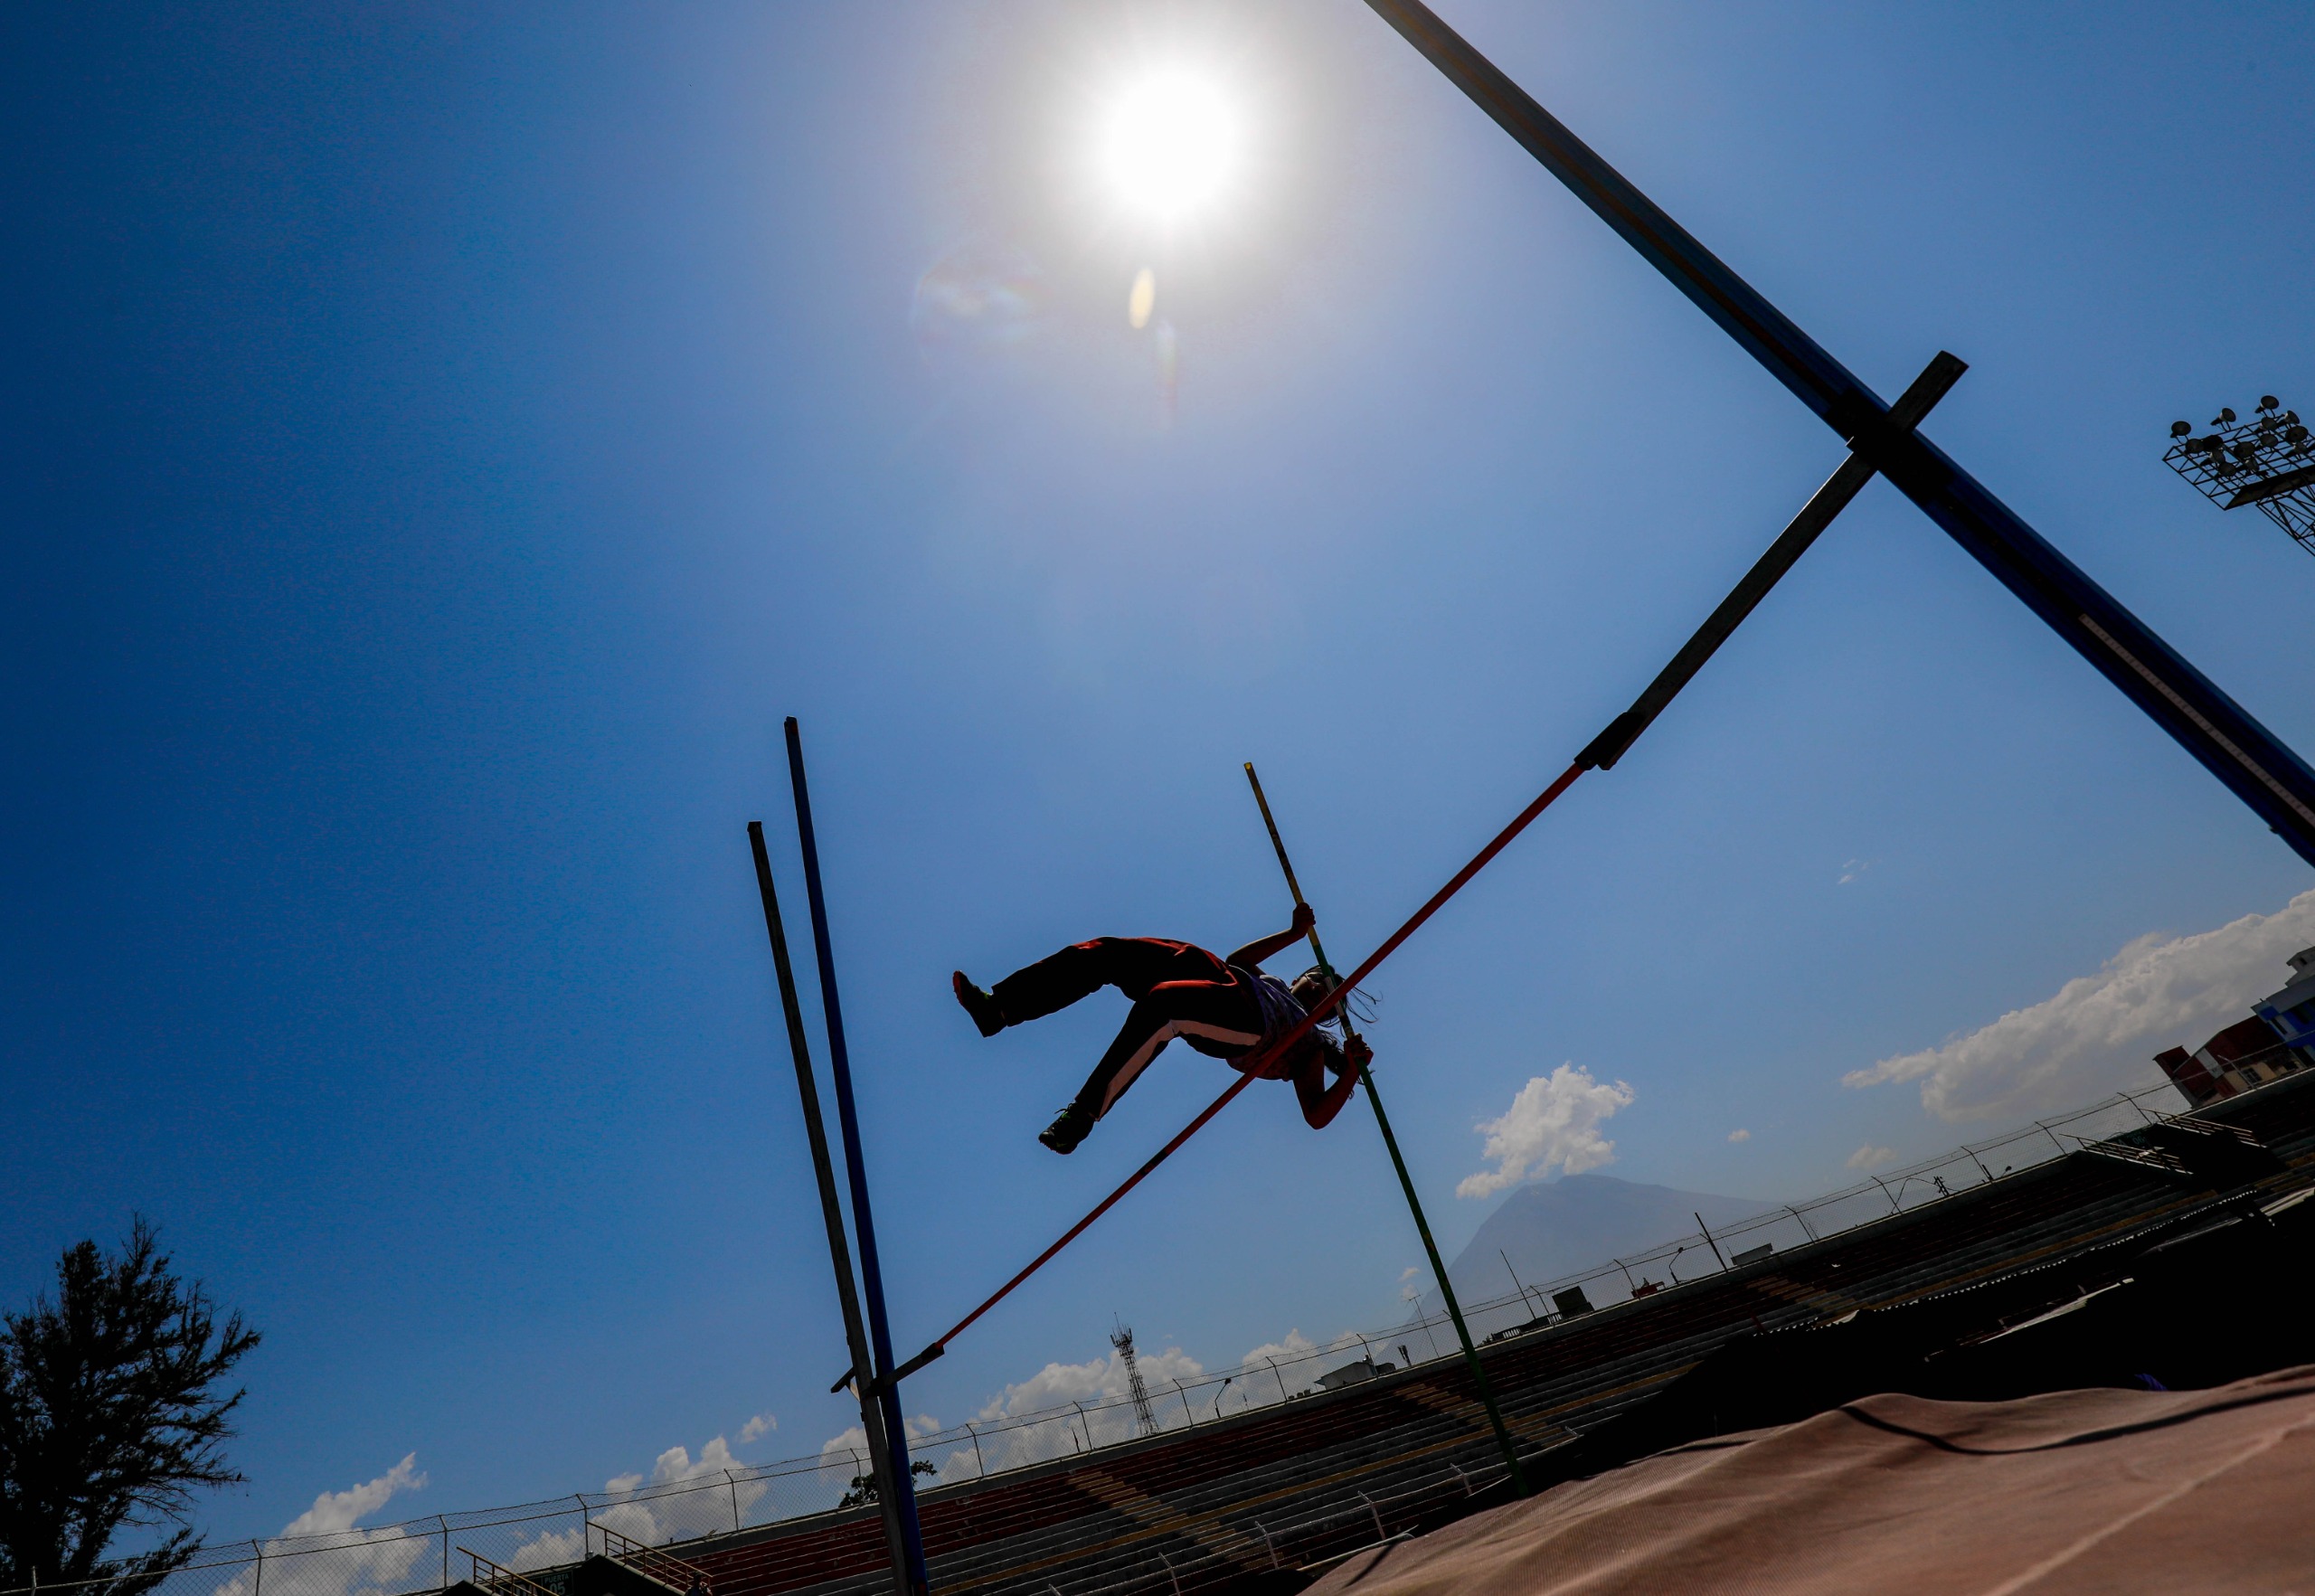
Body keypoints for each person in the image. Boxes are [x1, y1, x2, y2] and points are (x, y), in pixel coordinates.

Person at [952, 902, 1369, 1154]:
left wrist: (1349, 1068)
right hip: (1222, 976)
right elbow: (1239, 959)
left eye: (1328, 994)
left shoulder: (1310, 1042)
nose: (1318, 988)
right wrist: (1295, 933)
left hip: (1250, 1025)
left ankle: (1083, 1113)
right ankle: (1000, 1009)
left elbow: (1315, 1115)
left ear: (1329, 1012)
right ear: (1299, 977)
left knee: (1165, 1004)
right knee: (1108, 954)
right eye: (1317, 978)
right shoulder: (1274, 983)